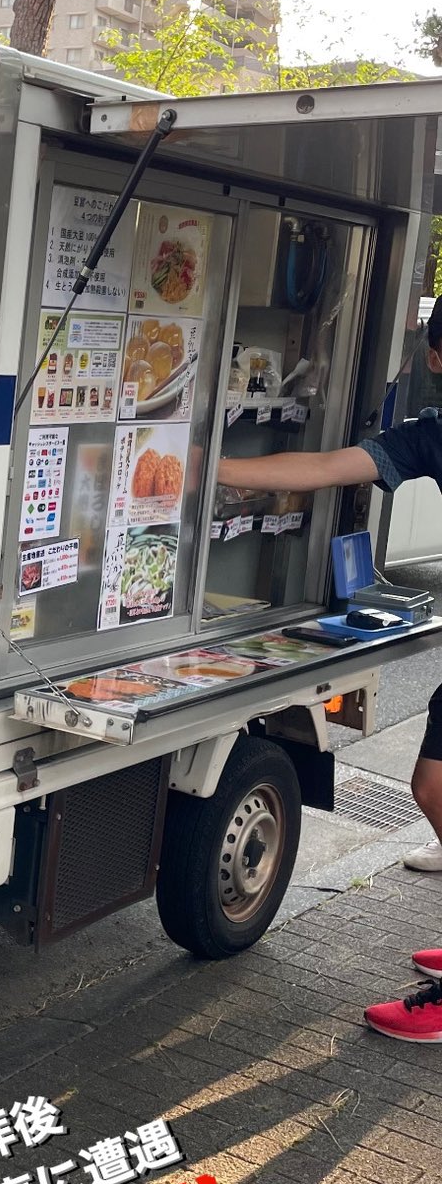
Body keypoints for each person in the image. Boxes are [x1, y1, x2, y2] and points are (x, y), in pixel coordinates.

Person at [215, 294, 442, 1042]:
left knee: (434, 787)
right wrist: (220, 468)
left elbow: (325, 465)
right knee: (434, 786)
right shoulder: (431, 437)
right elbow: (327, 465)